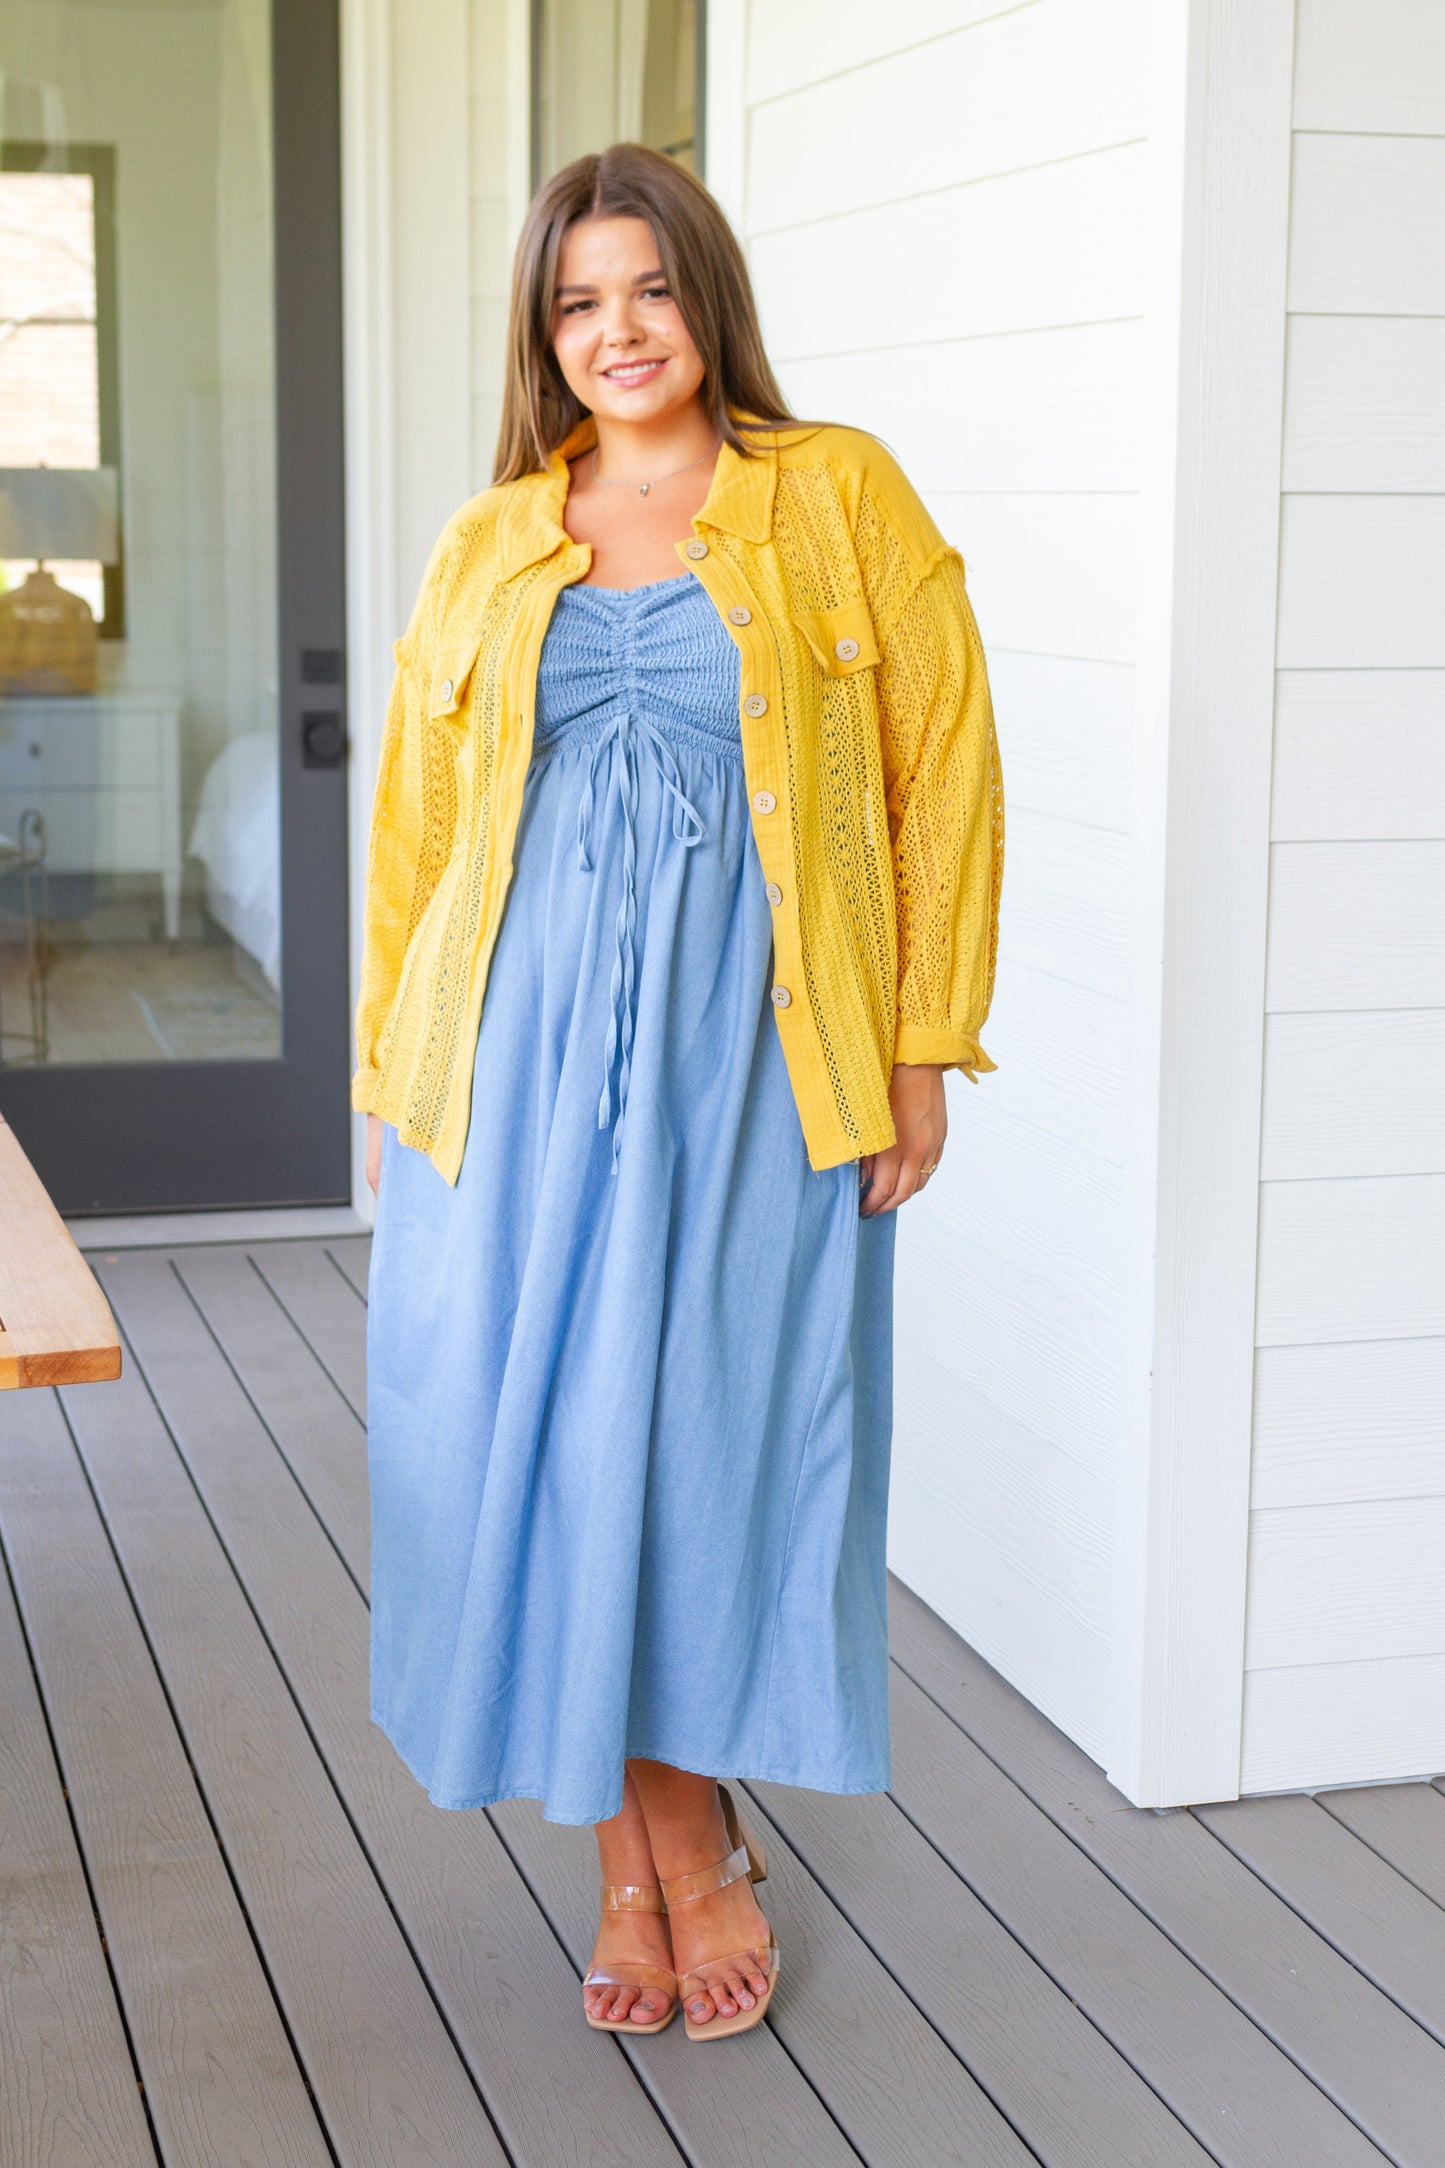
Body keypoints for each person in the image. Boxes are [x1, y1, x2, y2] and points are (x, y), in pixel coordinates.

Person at [353, 142, 1002, 2043]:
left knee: (707, 1438)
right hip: (514, 1064)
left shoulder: (834, 493)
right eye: (577, 302)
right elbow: (415, 825)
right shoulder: (492, 539)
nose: (616, 331)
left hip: (751, 1055)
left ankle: (678, 1839)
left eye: (647, 288)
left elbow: (942, 770)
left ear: (703, 297)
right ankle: (655, 1859)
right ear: (540, 333)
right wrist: (391, 1067)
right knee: (551, 1444)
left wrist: (918, 1047)